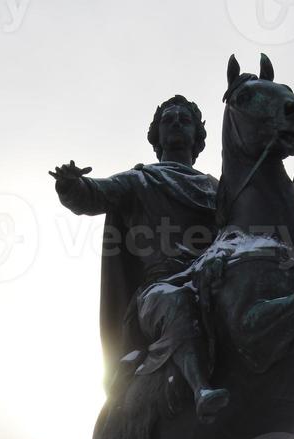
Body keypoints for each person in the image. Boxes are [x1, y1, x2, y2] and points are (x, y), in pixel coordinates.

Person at [50, 95, 229, 420]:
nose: (175, 123)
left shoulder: (218, 190)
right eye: (168, 120)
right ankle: (201, 388)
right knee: (177, 303)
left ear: (197, 137)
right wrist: (70, 185)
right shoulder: (140, 180)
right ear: (156, 137)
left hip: (212, 284)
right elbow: (93, 195)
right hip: (159, 291)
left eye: (184, 120)